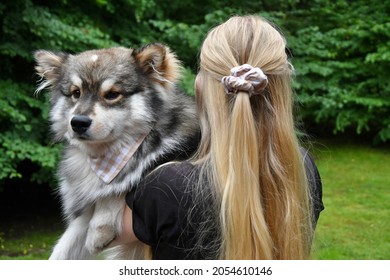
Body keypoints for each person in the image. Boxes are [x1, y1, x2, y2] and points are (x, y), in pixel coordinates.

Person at [114, 15, 324, 259]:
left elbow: (105, 235)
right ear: (281, 87)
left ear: (202, 86)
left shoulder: (166, 186)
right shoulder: (302, 169)